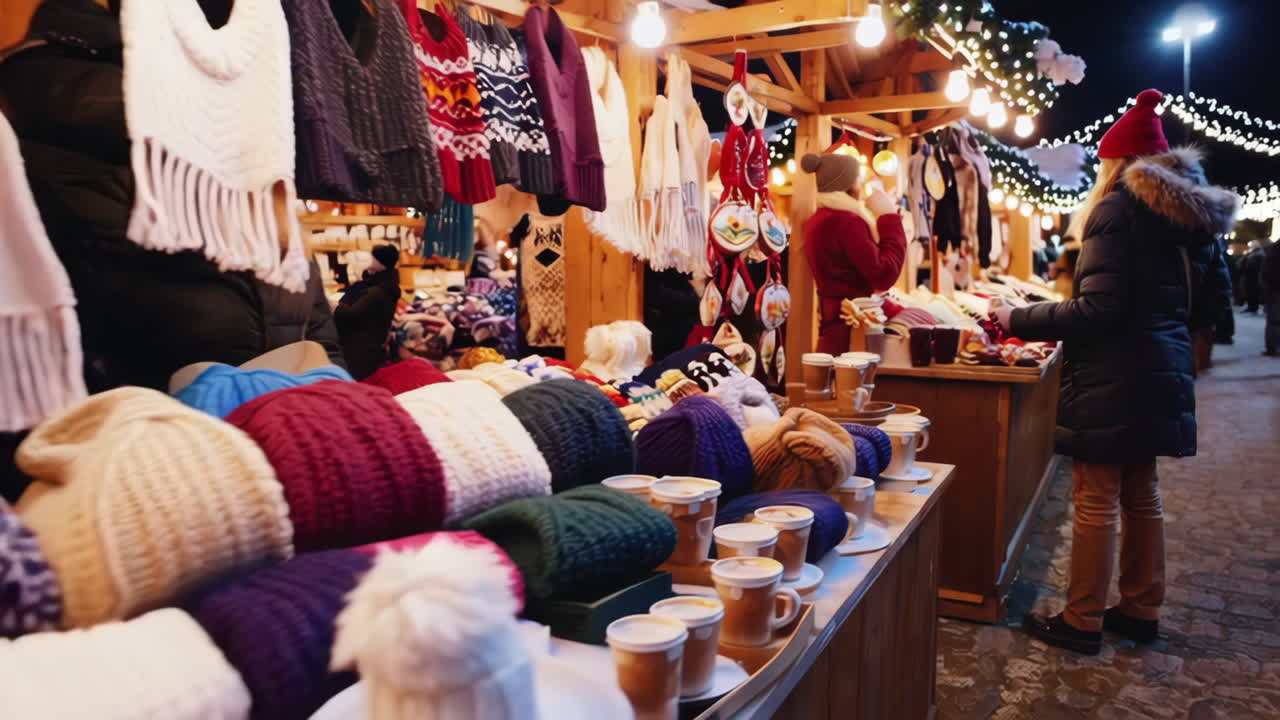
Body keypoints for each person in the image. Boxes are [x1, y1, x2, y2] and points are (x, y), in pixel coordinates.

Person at [992, 90, 1236, 654]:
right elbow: (1214, 305)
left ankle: (1082, 620)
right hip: (1164, 366)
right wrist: (1165, 324)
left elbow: (1098, 309)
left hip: (1114, 373)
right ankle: (1141, 608)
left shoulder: (1117, 209)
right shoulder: (1194, 215)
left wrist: (1014, 318)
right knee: (1142, 491)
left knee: (1096, 495)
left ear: (1116, 161)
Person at [799, 152, 907, 355]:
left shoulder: (821, 218)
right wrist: (888, 217)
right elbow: (884, 273)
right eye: (858, 179)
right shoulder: (845, 221)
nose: (861, 185)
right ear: (849, 184)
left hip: (836, 323)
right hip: (853, 326)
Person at [334, 244, 402, 380]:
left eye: (373, 258)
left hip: (361, 348)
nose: (370, 261)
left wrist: (335, 307)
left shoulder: (379, 290)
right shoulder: (380, 285)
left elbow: (352, 315)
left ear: (381, 263)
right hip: (367, 345)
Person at [1265, 241, 1280, 356]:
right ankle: (1272, 346)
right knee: (1274, 319)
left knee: (1274, 320)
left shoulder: (1274, 249)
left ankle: (1272, 346)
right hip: (1275, 288)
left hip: (1274, 288)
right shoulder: (1275, 249)